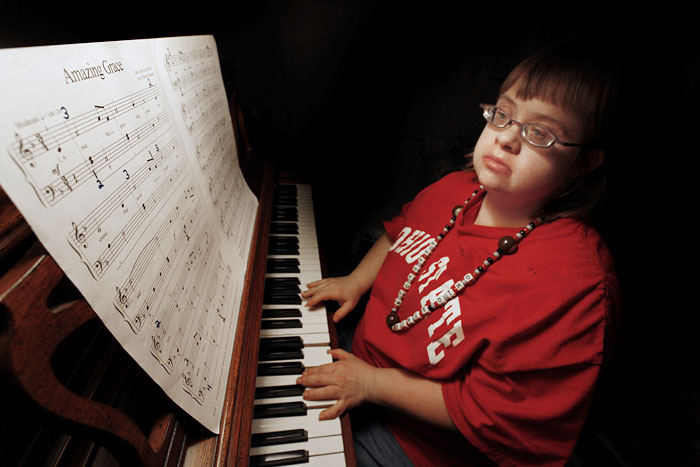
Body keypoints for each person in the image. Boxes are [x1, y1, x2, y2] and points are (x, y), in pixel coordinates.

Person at [298, 40, 622, 466]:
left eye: (540, 133)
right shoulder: (456, 186)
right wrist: (355, 281)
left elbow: (492, 412)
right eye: (503, 114)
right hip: (359, 360)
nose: (505, 138)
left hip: (417, 444)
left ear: (584, 163)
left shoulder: (577, 283)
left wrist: (371, 385)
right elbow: (398, 236)